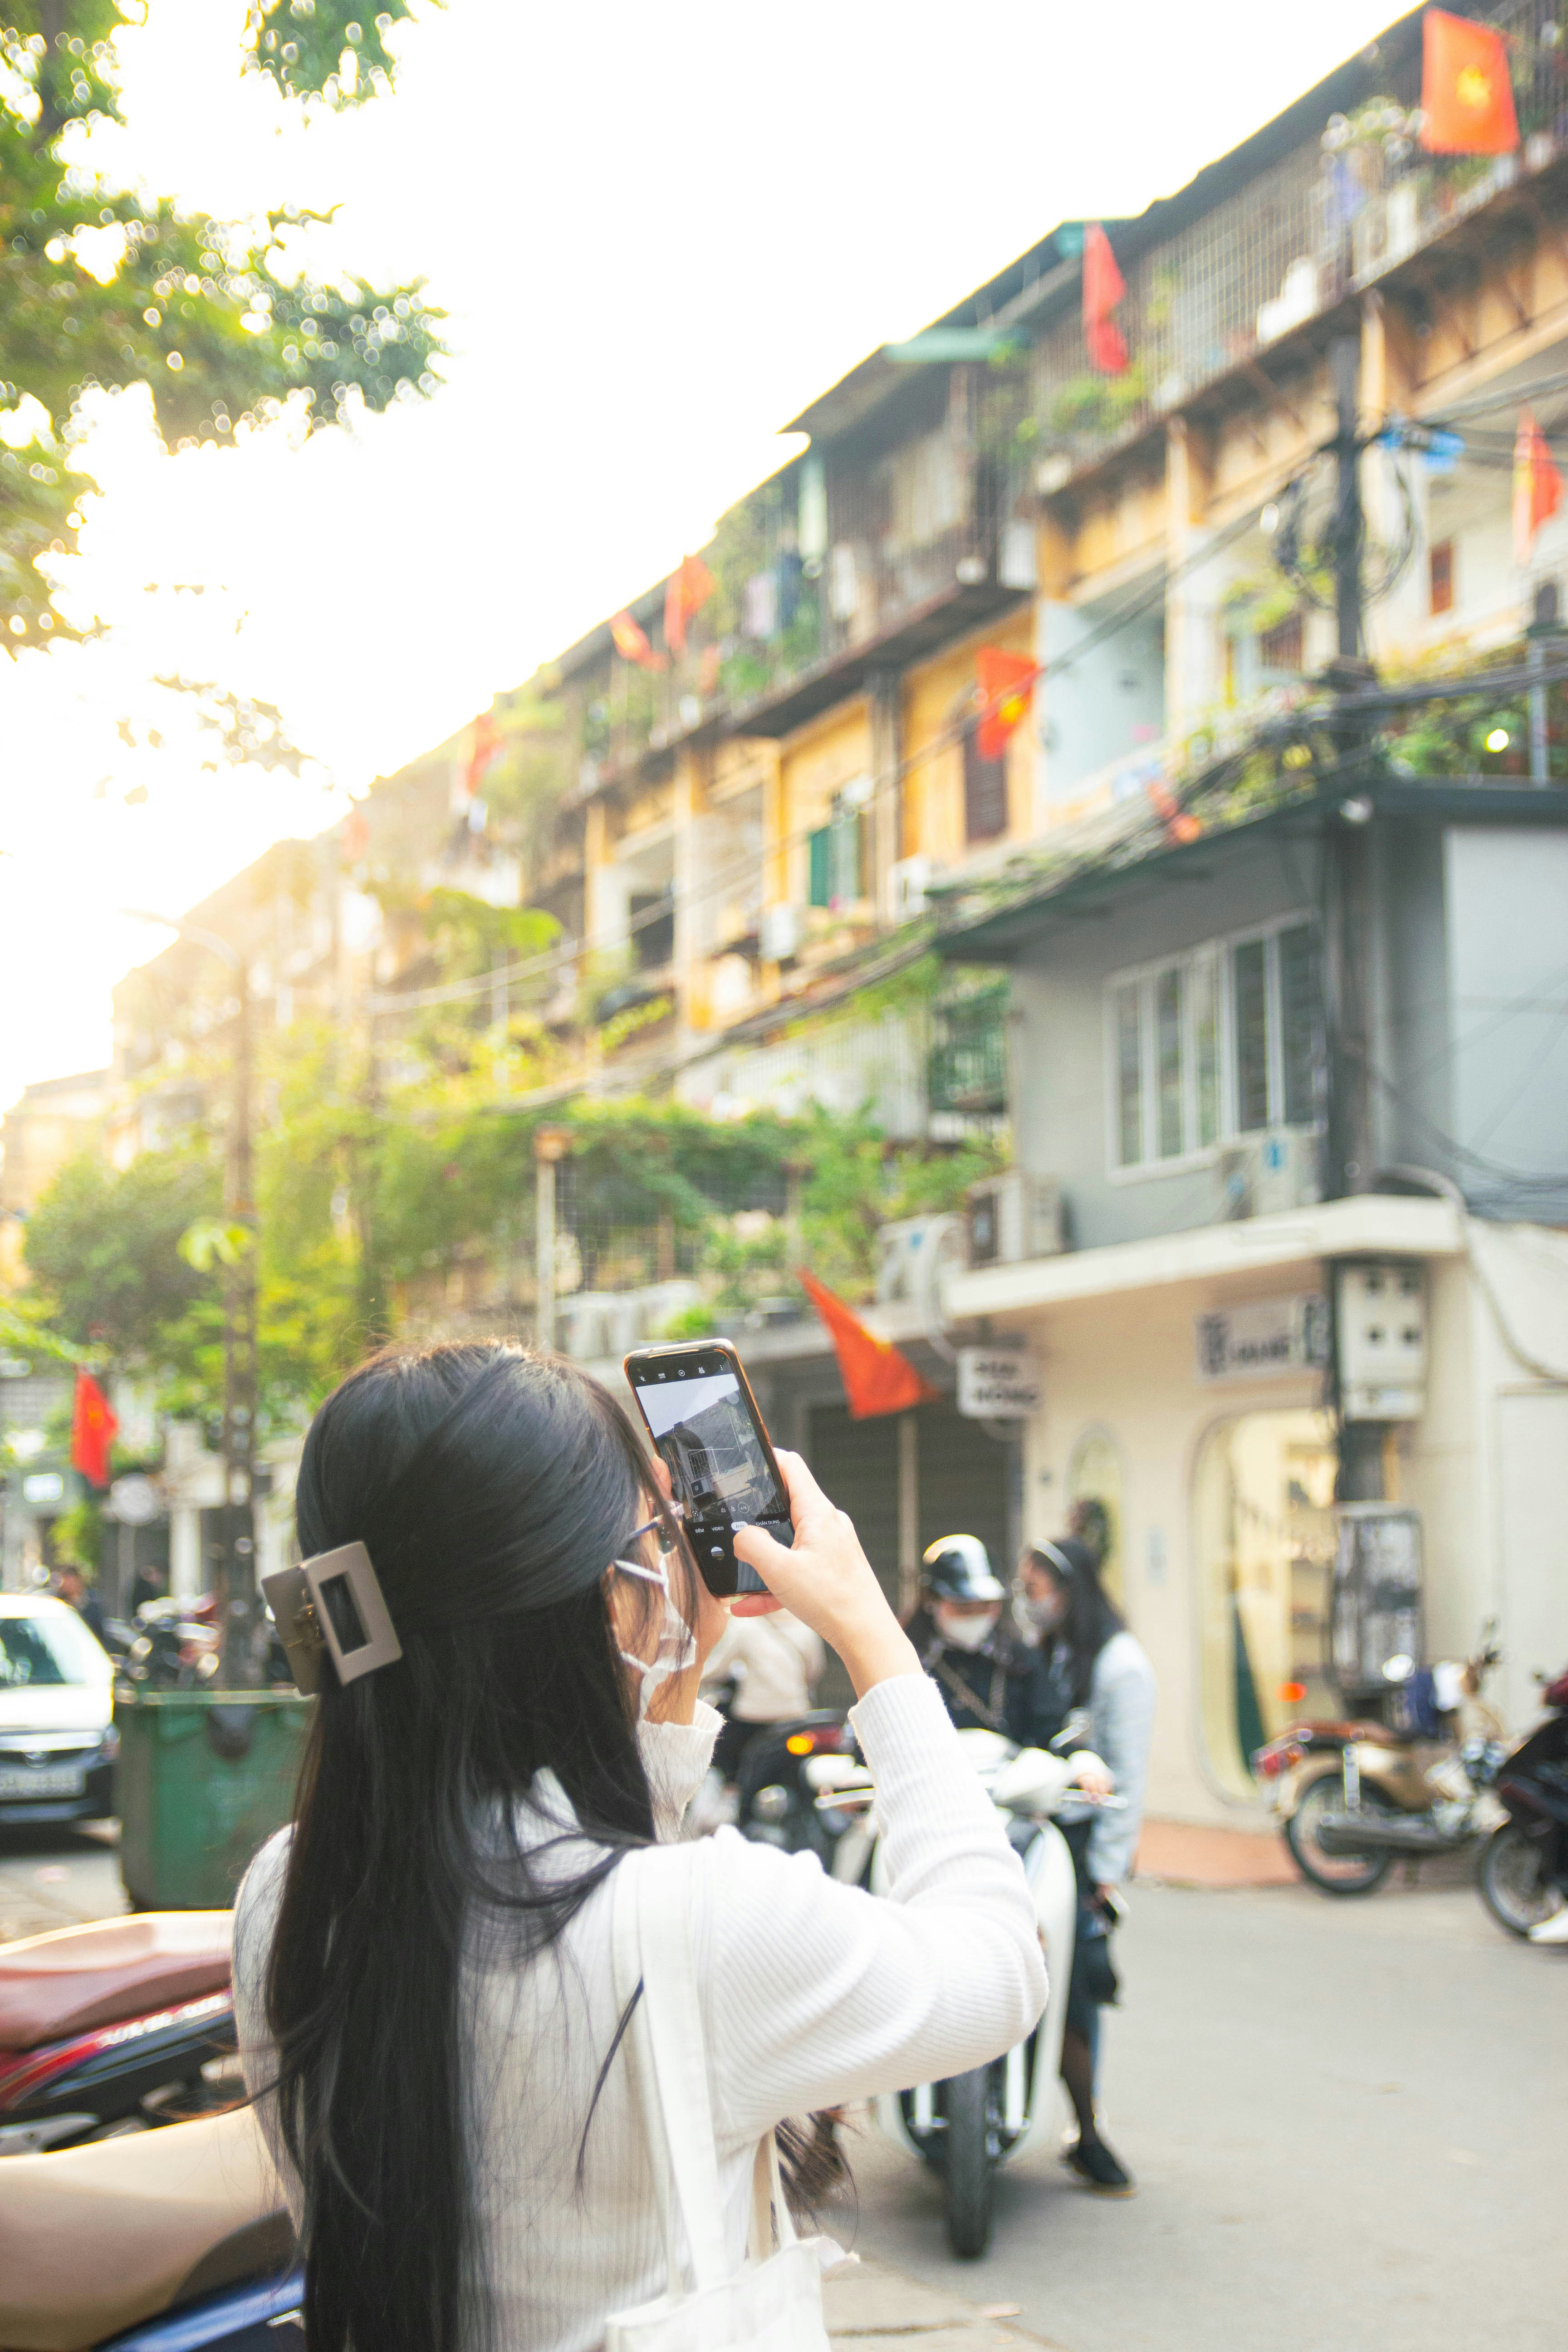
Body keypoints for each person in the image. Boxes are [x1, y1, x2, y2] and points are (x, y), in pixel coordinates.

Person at [232, 1341, 1046, 2352]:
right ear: (620, 1595)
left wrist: (667, 1677)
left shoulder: (286, 1896)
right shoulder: (709, 1926)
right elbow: (1002, 1966)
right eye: (654, 1540)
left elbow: (583, 1860)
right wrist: (873, 1635)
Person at [1007, 1534, 1155, 2197]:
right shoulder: (1050, 1653)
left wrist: (1105, 1873)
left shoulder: (1121, 1664)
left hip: (1083, 1853)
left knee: (1077, 1991)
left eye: (1035, 1588)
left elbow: (1128, 1776)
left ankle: (1087, 2129)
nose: (1027, 1602)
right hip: (1035, 1836)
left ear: (1069, 1590)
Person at [903, 1534, 1020, 1732]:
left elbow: (1049, 1730)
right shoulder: (905, 1662)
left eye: (986, 1605)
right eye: (964, 1606)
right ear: (930, 1599)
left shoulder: (1018, 1660)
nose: (976, 1615)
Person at [701, 1602, 825, 1781]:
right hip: (794, 1715)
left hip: (752, 1716)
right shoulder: (805, 1627)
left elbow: (718, 1670)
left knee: (728, 1767)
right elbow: (815, 1671)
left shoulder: (745, 1625)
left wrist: (691, 1677)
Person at [53, 1565, 106, 1645]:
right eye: (65, 1580)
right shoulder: (57, 1603)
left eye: (71, 1581)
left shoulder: (92, 1603)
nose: (68, 1585)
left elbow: (99, 1632)